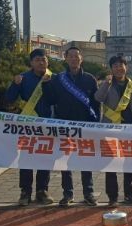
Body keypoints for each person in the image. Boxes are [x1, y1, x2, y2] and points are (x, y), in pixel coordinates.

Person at [42, 47, 100, 207]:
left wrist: (96, 123)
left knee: (86, 160)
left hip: (85, 126)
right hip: (64, 125)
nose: (74, 59)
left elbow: (96, 104)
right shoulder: (58, 79)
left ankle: (88, 193)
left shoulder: (90, 79)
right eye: (71, 56)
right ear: (66, 58)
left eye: (76, 56)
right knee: (65, 161)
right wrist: (46, 85)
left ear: (81, 58)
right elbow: (51, 100)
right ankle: (68, 193)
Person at [5, 48, 55, 206]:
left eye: (44, 59)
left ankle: (42, 190)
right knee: (26, 158)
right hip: (28, 125)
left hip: (48, 124)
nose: (41, 62)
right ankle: (25, 191)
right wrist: (15, 84)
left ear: (47, 62)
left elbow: (58, 100)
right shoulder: (23, 78)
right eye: (37, 60)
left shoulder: (53, 78)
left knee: (45, 157)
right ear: (31, 63)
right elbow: (9, 98)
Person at [95, 55, 132, 207]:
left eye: (121, 65)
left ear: (126, 67)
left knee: (129, 164)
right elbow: (98, 98)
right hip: (111, 130)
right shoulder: (107, 84)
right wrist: (106, 84)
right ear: (111, 69)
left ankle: (130, 194)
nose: (118, 68)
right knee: (110, 164)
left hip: (130, 130)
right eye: (115, 66)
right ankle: (112, 196)